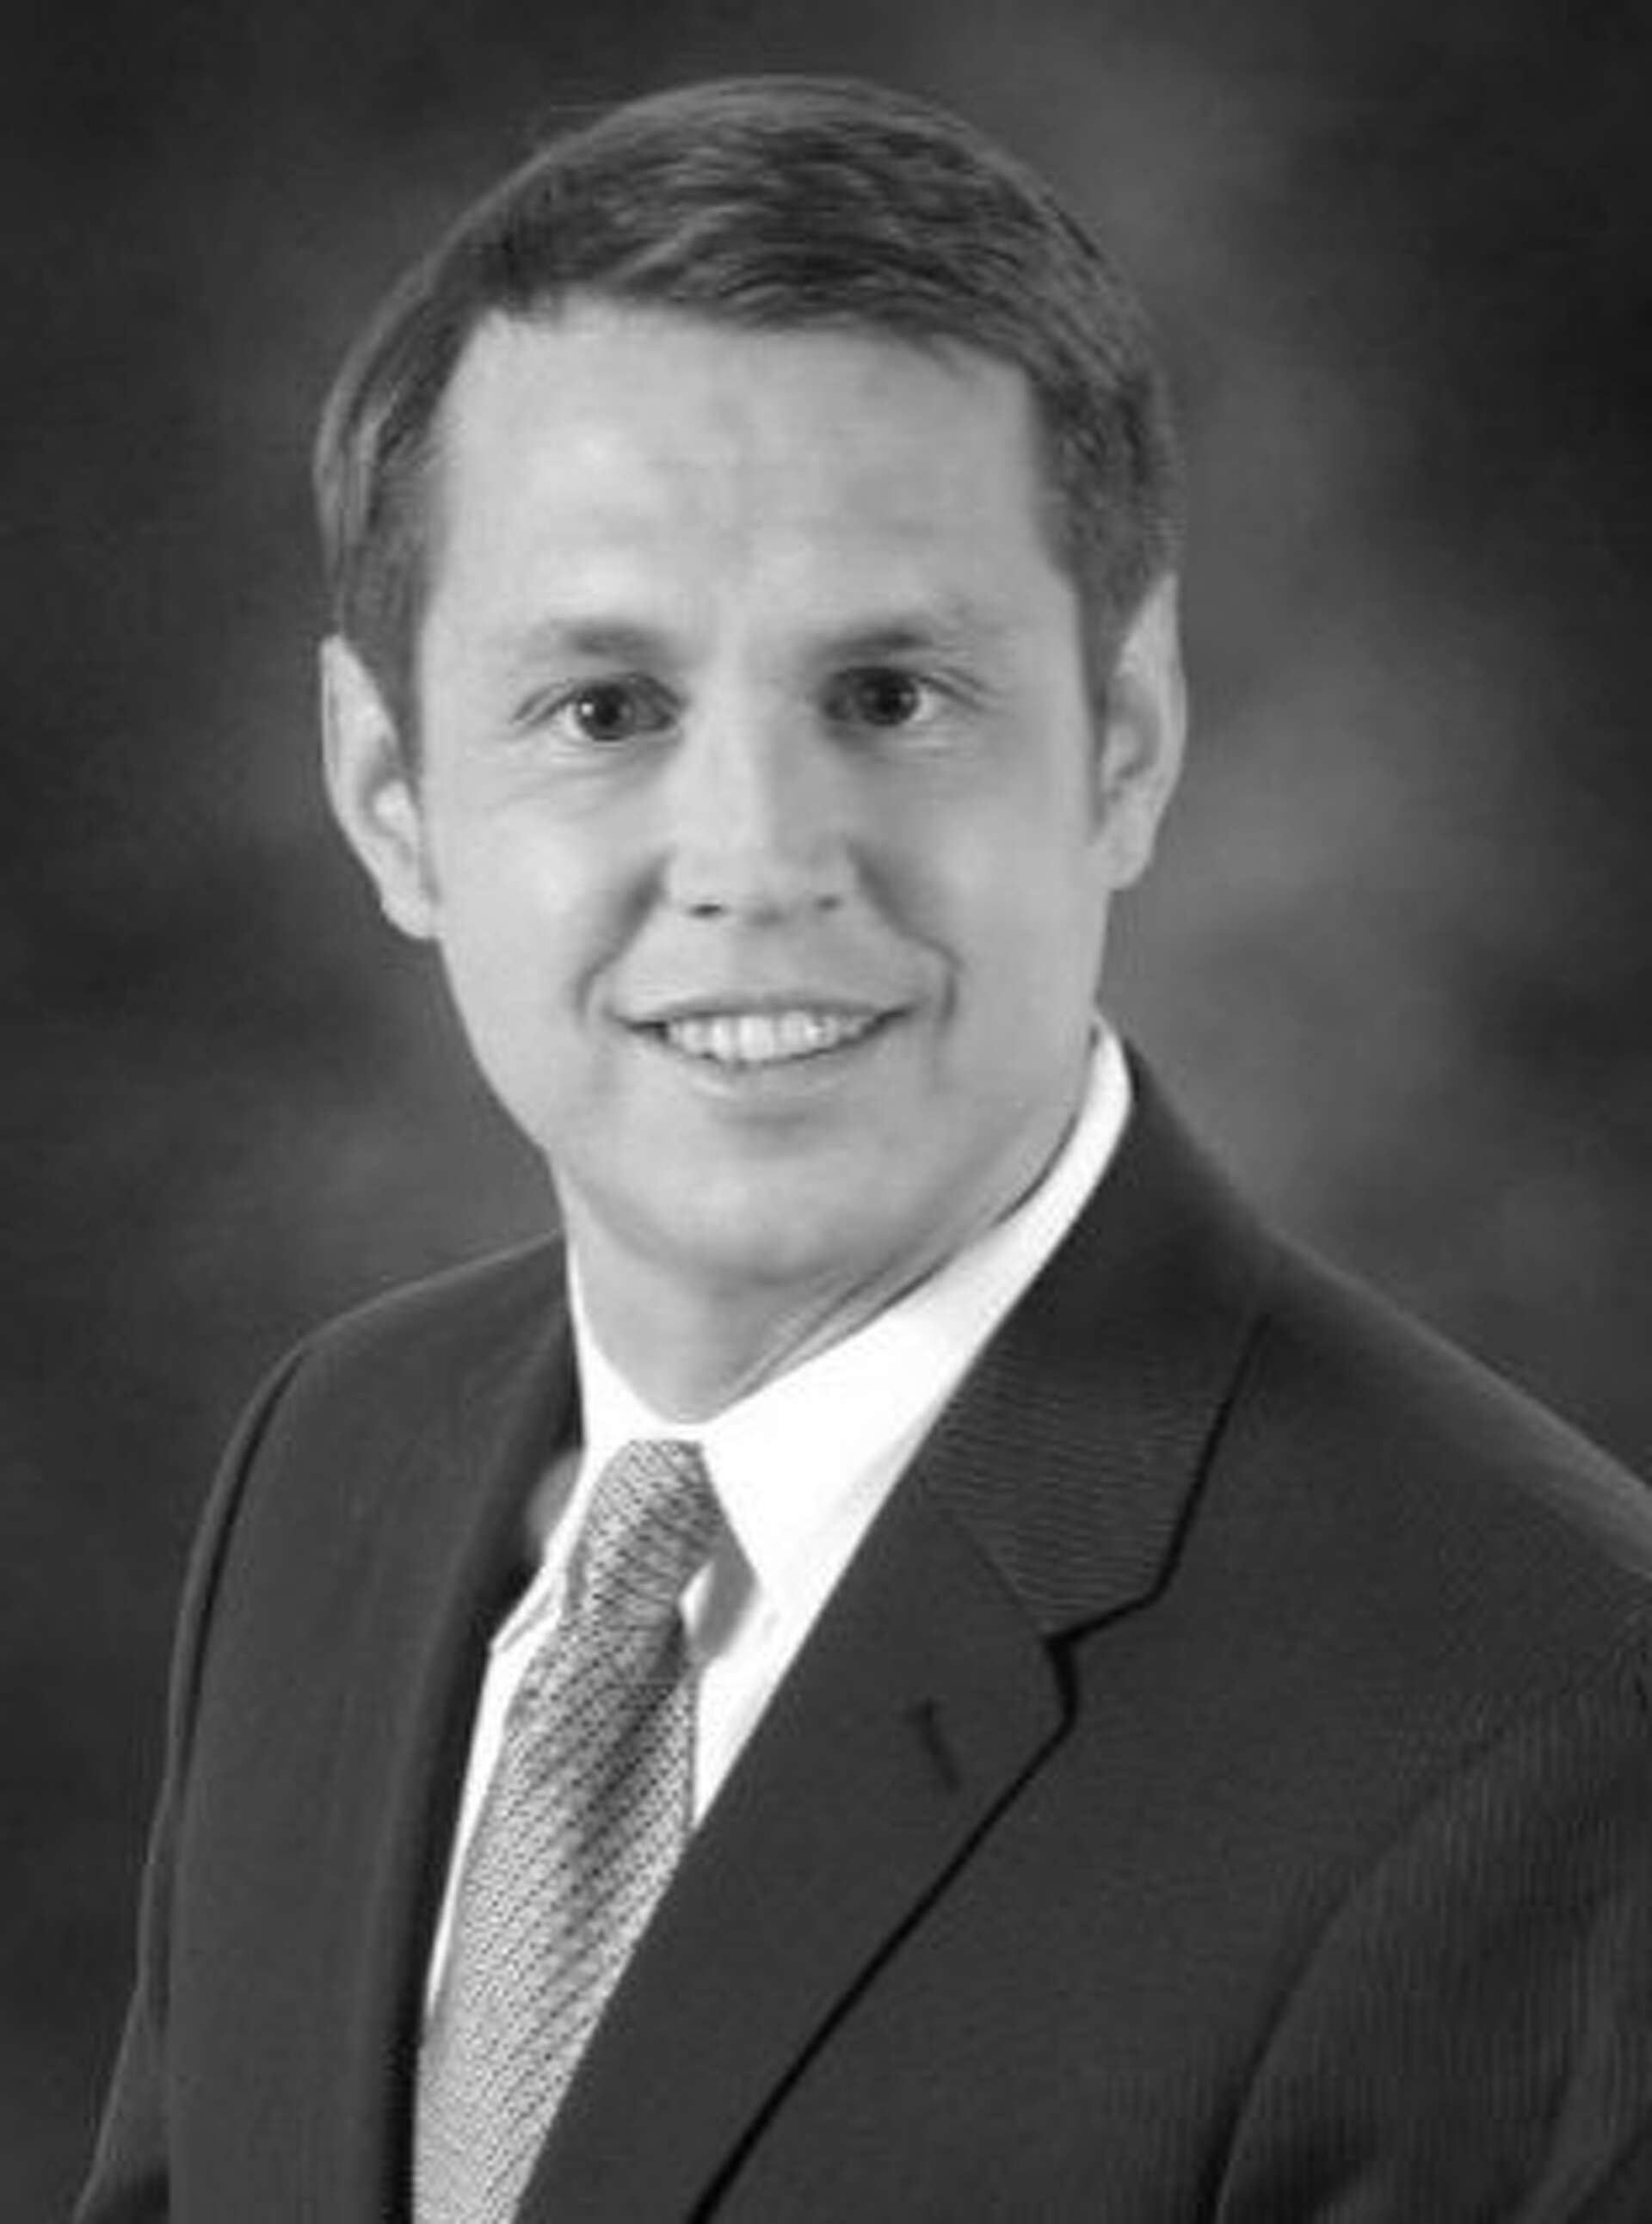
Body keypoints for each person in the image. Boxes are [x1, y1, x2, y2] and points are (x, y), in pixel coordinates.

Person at [79, 75, 1652, 2223]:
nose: (757, 858)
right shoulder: (331, 1461)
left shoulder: (1549, 1739)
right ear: (390, 798)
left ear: (1124, 744)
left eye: (892, 693)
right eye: (605, 709)